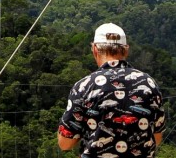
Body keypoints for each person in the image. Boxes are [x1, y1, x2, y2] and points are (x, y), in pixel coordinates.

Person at [57, 23, 165, 158]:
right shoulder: (149, 84)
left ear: (95, 49)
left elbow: (65, 143)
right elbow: (157, 137)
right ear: (126, 50)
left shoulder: (84, 86)